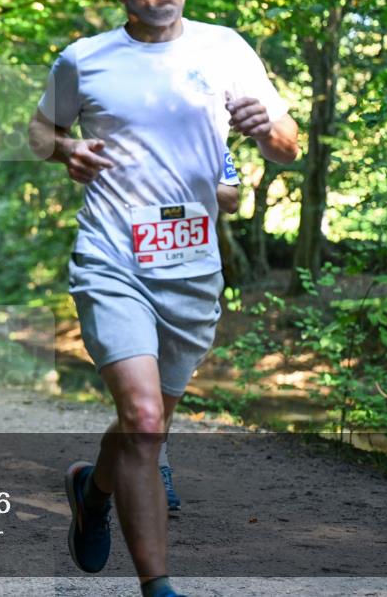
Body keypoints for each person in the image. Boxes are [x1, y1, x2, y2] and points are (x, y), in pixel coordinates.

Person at [28, 0, 298, 595]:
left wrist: (270, 132)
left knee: (148, 425)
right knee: (145, 420)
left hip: (191, 266)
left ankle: (92, 490)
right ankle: (159, 586)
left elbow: (289, 146)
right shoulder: (84, 59)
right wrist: (66, 150)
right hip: (111, 257)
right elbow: (39, 131)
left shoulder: (224, 48)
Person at [160, 159, 241, 512]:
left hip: (193, 276)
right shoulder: (127, 123)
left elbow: (233, 199)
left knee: (166, 383)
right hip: (131, 268)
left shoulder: (210, 137)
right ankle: (156, 465)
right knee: (138, 369)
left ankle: (114, 465)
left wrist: (193, 178)